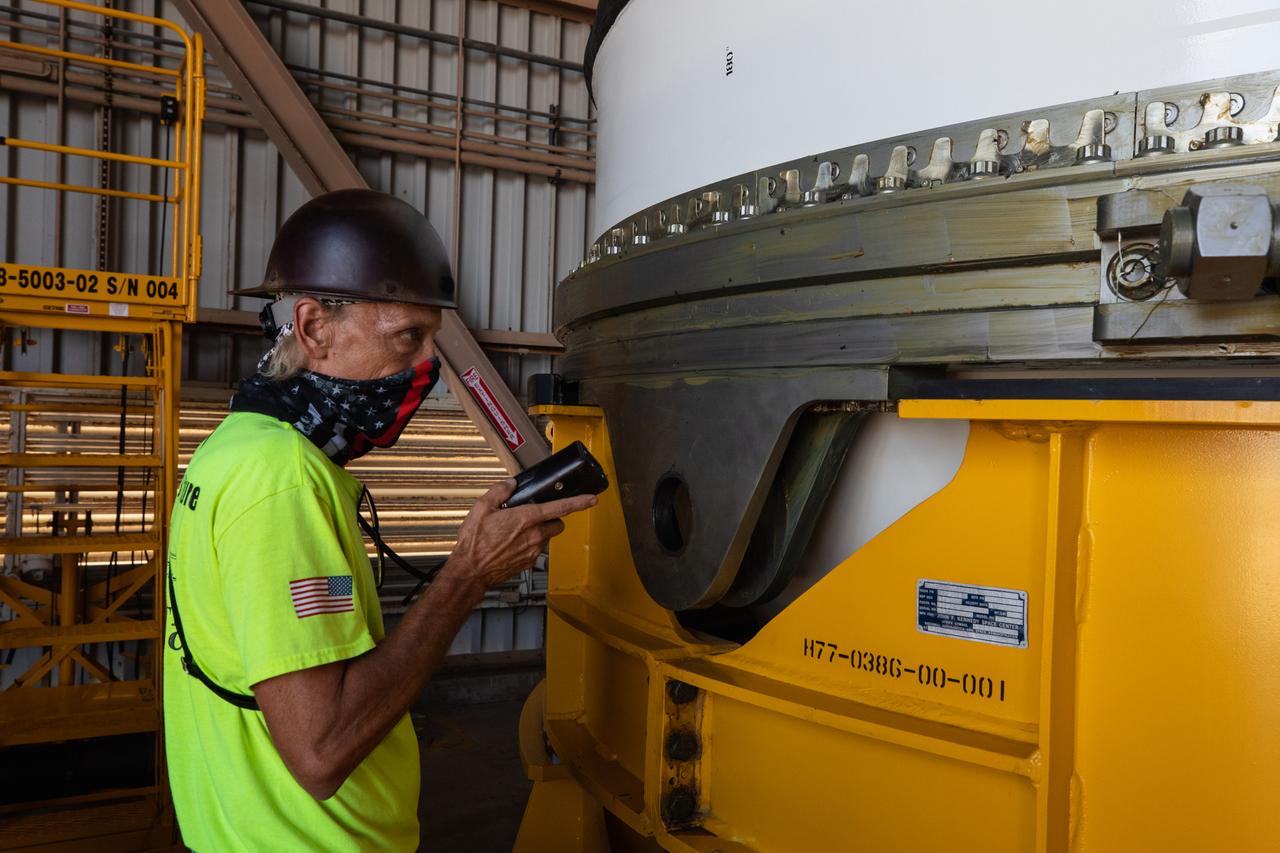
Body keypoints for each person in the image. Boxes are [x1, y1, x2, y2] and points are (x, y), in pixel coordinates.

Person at [162, 188, 594, 851]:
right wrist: (467, 573)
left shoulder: (236, 444)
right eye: (405, 338)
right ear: (312, 329)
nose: (425, 369)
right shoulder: (280, 479)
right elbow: (321, 750)